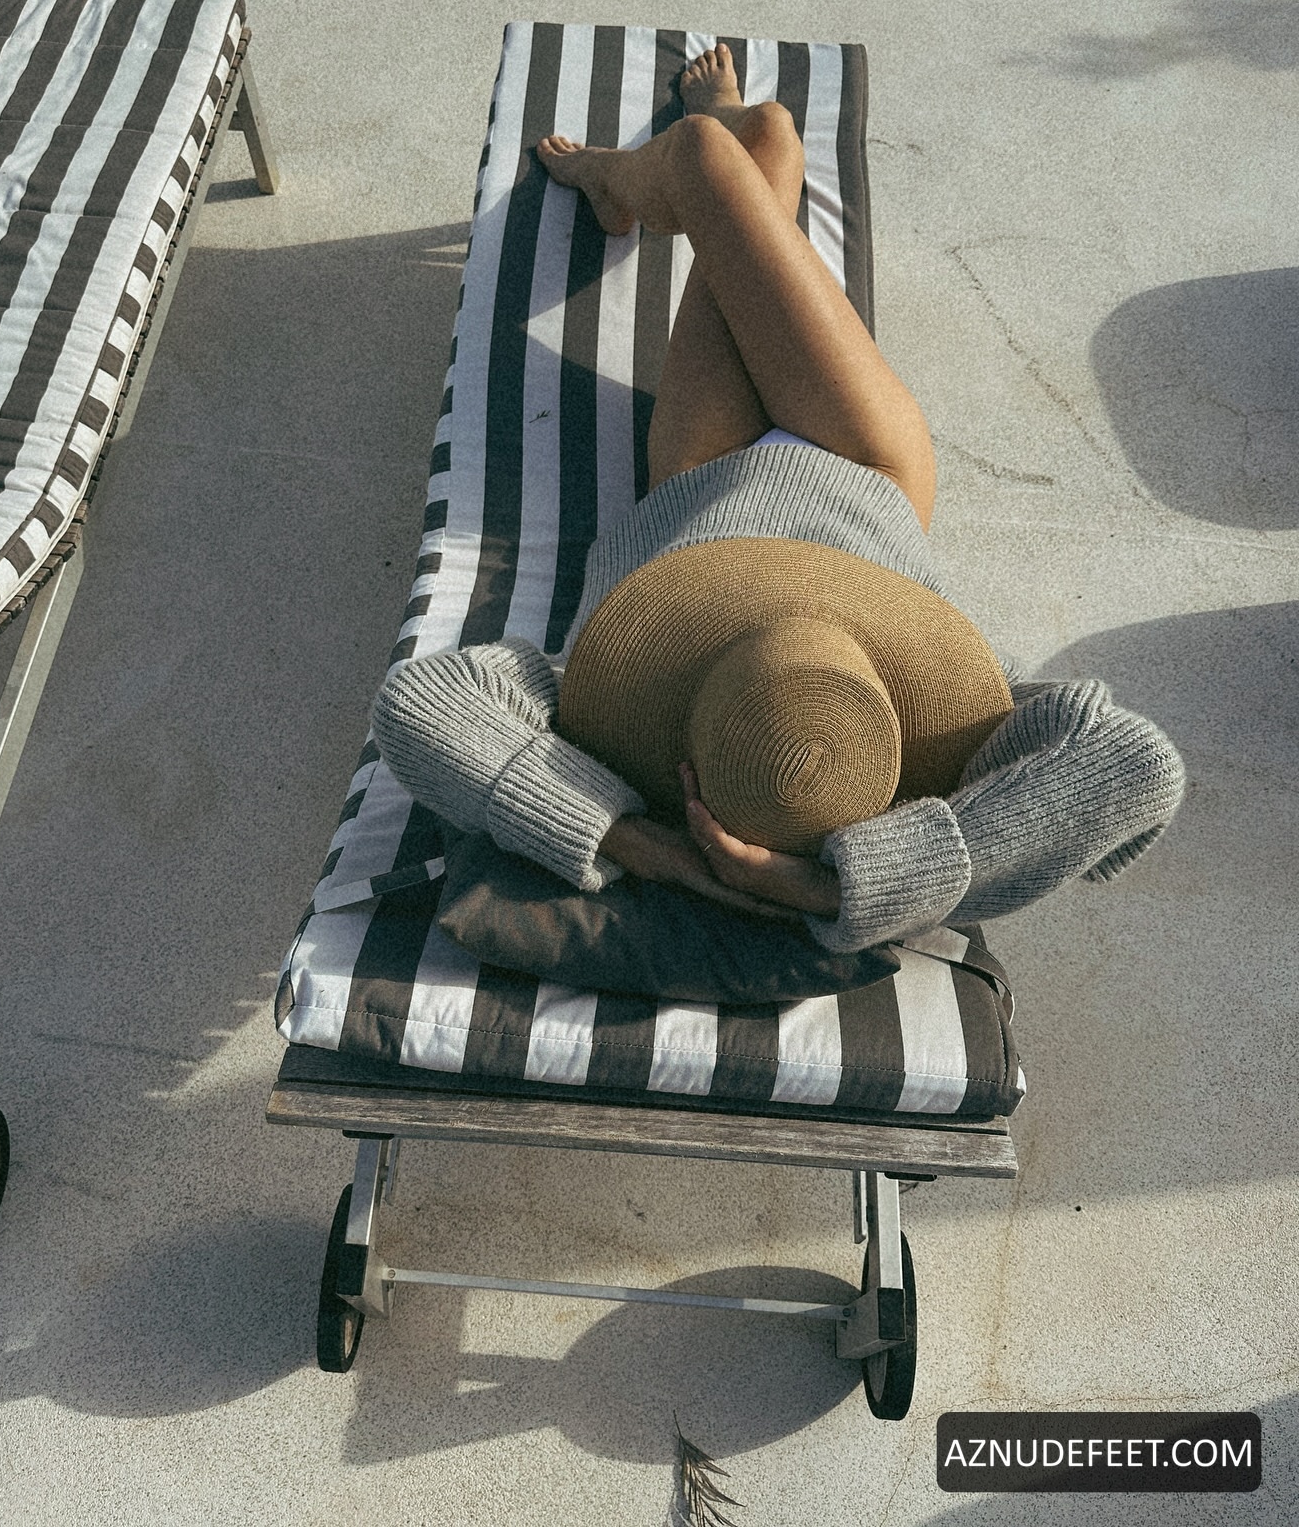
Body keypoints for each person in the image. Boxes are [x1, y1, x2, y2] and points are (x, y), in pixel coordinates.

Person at [371, 47, 1184, 952]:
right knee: (746, 148)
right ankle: (694, 157)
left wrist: (637, 843)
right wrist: (836, 887)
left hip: (700, 474)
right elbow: (1136, 766)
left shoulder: (608, 718)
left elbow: (419, 706)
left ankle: (621, 179)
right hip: (862, 468)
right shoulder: (947, 742)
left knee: (732, 151)